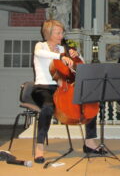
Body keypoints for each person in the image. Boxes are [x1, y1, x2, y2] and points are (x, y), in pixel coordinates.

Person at [32, 19, 101, 163]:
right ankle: (39, 146)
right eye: (58, 32)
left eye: (62, 32)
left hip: (62, 87)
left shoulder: (64, 49)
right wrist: (60, 56)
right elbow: (40, 54)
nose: (61, 35)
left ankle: (90, 142)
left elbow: (79, 67)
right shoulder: (41, 46)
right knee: (48, 106)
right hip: (43, 88)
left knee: (89, 100)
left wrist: (77, 56)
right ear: (49, 32)